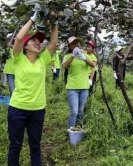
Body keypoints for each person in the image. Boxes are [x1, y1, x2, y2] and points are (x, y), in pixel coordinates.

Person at [7, 4, 58, 166]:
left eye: (39, 41)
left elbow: (53, 43)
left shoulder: (43, 59)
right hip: (18, 109)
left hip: (37, 110)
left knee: (35, 146)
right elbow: (19, 38)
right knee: (15, 146)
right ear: (26, 46)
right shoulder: (18, 58)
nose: (38, 43)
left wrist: (54, 23)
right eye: (34, 40)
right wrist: (33, 18)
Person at [62, 36, 95, 129]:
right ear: (69, 46)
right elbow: (65, 66)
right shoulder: (67, 56)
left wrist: (83, 57)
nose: (76, 44)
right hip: (72, 87)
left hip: (84, 87)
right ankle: (71, 129)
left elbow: (93, 65)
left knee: (81, 111)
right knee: (74, 111)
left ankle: (78, 129)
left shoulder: (85, 54)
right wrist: (73, 55)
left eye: (77, 42)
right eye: (73, 43)